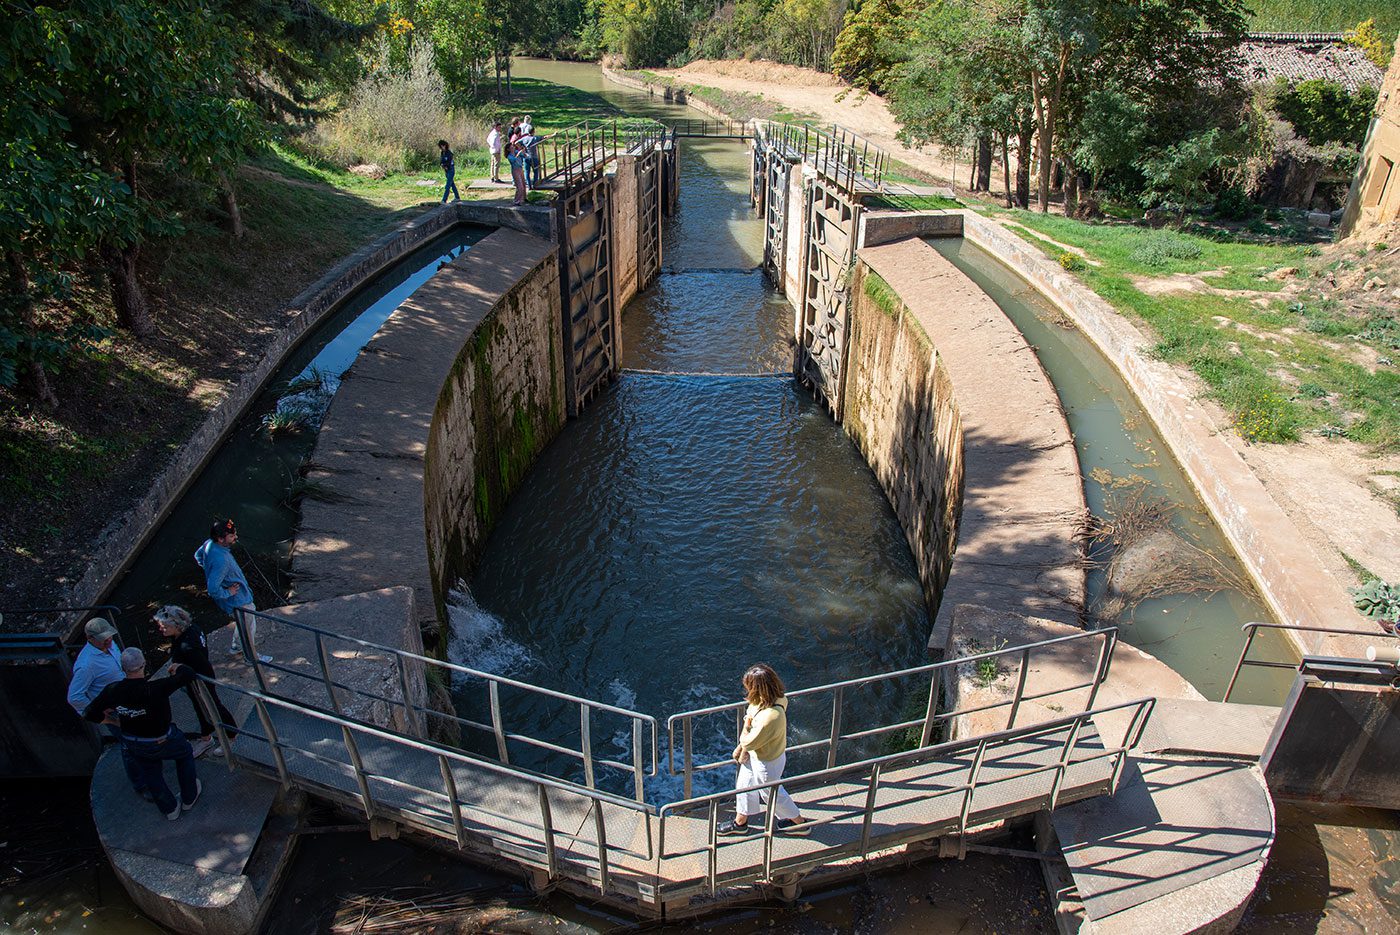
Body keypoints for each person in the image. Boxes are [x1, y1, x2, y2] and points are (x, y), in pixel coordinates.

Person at [84, 647, 201, 821]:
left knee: (151, 773)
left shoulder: (112, 690)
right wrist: (177, 666)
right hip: (164, 739)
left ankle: (169, 808)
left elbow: (89, 713)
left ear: (123, 669)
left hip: (135, 742)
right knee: (184, 754)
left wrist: (112, 721)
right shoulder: (156, 688)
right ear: (144, 665)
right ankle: (189, 797)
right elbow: (189, 674)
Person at [717, 663, 808, 836]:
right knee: (744, 785)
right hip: (759, 754)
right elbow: (752, 715)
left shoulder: (770, 717)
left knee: (773, 795)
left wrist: (746, 725)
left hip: (767, 762)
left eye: (749, 687)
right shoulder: (777, 699)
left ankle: (799, 824)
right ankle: (740, 823)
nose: (746, 690)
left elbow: (748, 741)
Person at [67, 617, 149, 799]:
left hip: (128, 700)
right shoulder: (86, 665)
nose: (109, 640)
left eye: (109, 636)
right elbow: (74, 697)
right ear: (89, 638)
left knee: (140, 736)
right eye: (104, 638)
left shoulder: (109, 646)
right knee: (129, 746)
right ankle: (141, 784)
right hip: (114, 710)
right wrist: (101, 714)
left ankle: (148, 763)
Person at [155, 605, 237, 758]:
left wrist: (179, 667)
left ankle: (232, 737)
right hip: (193, 681)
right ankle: (206, 737)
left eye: (164, 626)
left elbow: (201, 667)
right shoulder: (192, 628)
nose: (161, 629)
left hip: (200, 681)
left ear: (177, 626)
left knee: (214, 706)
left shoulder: (188, 646)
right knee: (200, 707)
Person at [194, 518, 271, 663]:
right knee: (248, 630)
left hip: (239, 597)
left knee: (244, 624)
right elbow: (213, 589)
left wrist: (208, 569)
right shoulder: (221, 561)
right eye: (232, 536)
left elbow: (198, 556)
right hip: (238, 601)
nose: (236, 537)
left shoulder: (209, 544)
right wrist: (228, 592)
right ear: (220, 538)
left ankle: (236, 647)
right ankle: (251, 658)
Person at [437, 139, 460, 204]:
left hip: (451, 170)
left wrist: (445, 165)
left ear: (445, 145)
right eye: (441, 146)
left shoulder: (449, 153)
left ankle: (444, 200)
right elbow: (441, 161)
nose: (442, 147)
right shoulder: (442, 153)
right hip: (446, 170)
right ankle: (457, 197)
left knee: (447, 186)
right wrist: (442, 165)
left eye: (443, 146)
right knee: (452, 184)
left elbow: (449, 162)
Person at [507, 138, 528, 207]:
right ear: (508, 149)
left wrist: (523, 152)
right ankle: (516, 200)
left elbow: (524, 156)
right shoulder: (509, 156)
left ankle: (522, 199)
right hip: (515, 170)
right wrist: (518, 154)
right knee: (520, 187)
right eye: (511, 147)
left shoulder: (516, 152)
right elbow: (513, 161)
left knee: (523, 185)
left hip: (520, 169)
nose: (513, 147)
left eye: (513, 146)